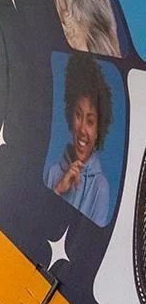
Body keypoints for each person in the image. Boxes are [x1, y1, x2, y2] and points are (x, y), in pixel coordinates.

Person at [43, 54, 113, 225]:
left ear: (98, 131)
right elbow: (38, 224)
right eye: (78, 115)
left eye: (90, 121)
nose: (82, 129)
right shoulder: (52, 172)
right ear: (70, 116)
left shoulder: (100, 187)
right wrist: (58, 190)